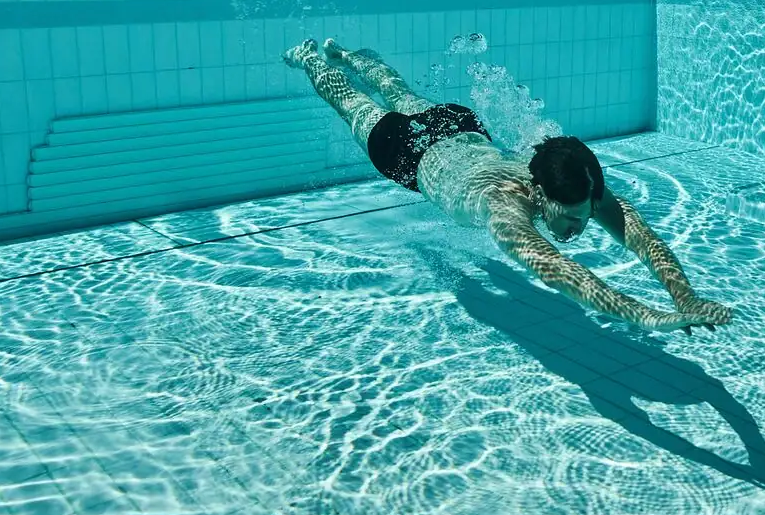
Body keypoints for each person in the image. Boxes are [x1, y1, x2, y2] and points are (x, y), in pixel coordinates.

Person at [286, 38, 734, 332]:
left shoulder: (578, 184)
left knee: (404, 98)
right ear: (539, 193)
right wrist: (651, 318)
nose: (580, 226)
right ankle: (314, 57)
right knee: (355, 106)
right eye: (574, 218)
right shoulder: (505, 206)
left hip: (459, 126)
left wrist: (685, 297)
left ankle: (356, 57)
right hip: (408, 151)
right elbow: (563, 273)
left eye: (585, 215)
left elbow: (642, 238)